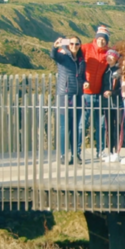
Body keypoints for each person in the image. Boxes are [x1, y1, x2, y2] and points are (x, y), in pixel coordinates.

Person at [51, 36, 86, 164]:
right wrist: (55, 46)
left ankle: (75, 154)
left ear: (80, 45)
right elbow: (53, 56)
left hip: (77, 96)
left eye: (77, 44)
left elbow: (82, 76)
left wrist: (85, 83)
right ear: (68, 44)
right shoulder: (64, 57)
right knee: (64, 127)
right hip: (64, 96)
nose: (74, 46)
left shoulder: (82, 61)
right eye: (71, 43)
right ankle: (62, 155)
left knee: (75, 127)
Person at [80, 25, 111, 158]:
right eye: (99, 38)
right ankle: (76, 152)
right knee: (81, 125)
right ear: (96, 38)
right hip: (84, 94)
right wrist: (61, 45)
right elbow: (71, 46)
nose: (101, 41)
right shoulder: (86, 48)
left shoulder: (108, 53)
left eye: (104, 39)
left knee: (101, 126)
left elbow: (120, 54)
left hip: (99, 94)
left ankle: (100, 152)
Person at [100, 49, 124, 163]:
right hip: (107, 103)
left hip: (118, 103)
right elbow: (102, 85)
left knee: (118, 127)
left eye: (111, 56)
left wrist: (112, 93)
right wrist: (104, 93)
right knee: (109, 127)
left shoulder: (119, 71)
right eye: (107, 56)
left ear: (115, 58)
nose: (109, 58)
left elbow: (122, 88)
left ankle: (117, 152)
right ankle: (109, 151)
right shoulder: (105, 70)